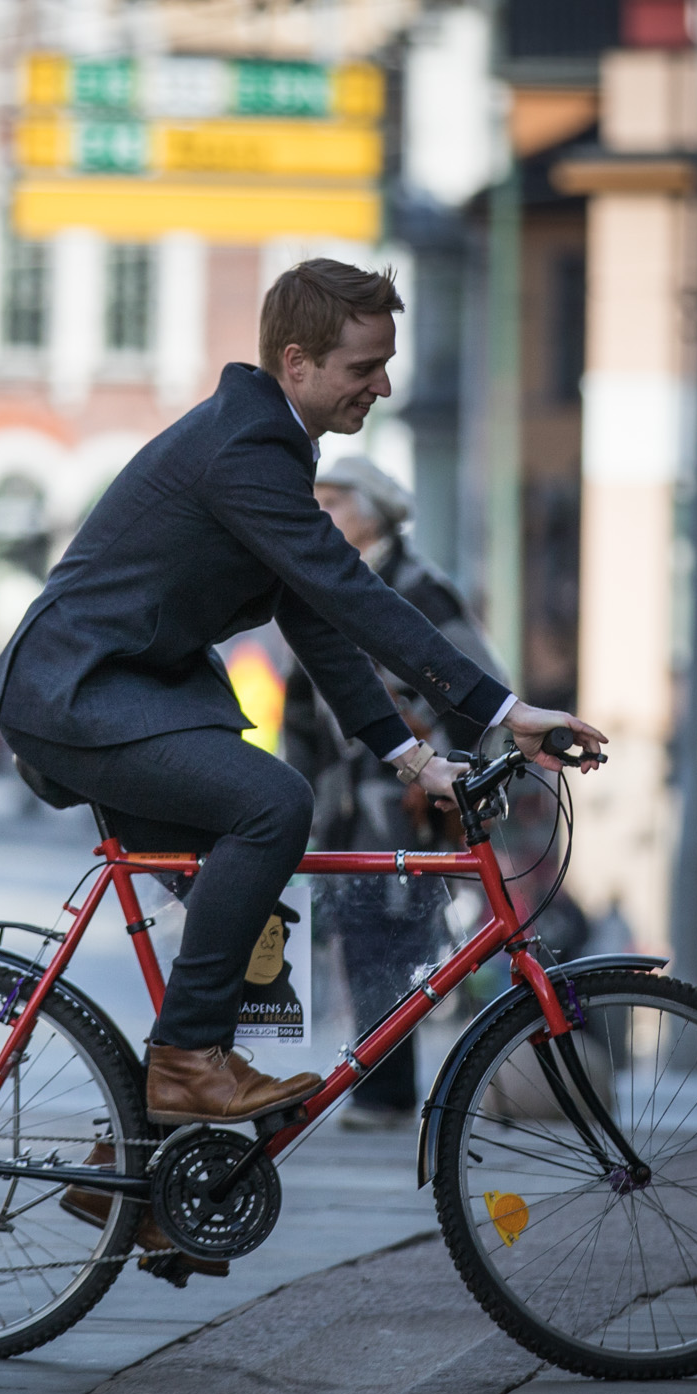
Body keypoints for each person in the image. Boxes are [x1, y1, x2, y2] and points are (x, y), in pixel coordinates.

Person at [0, 258, 604, 1134]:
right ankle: (188, 1067)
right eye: (363, 368)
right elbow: (351, 592)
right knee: (276, 804)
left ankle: (144, 1170)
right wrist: (503, 710)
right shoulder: (249, 446)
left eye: (386, 364)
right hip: (79, 694)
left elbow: (315, 617)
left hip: (120, 693)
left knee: (238, 919)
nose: (384, 386)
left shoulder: (272, 440)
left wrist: (414, 756)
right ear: (296, 361)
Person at [279, 452, 500, 1130]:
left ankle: (385, 1094)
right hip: (346, 808)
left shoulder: (419, 586)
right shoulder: (327, 586)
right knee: (358, 942)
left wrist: (445, 766)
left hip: (403, 806)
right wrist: (301, 794)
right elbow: (298, 708)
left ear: (372, 512)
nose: (321, 515)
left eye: (334, 503)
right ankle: (381, 1089)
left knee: (395, 947)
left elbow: (477, 682)